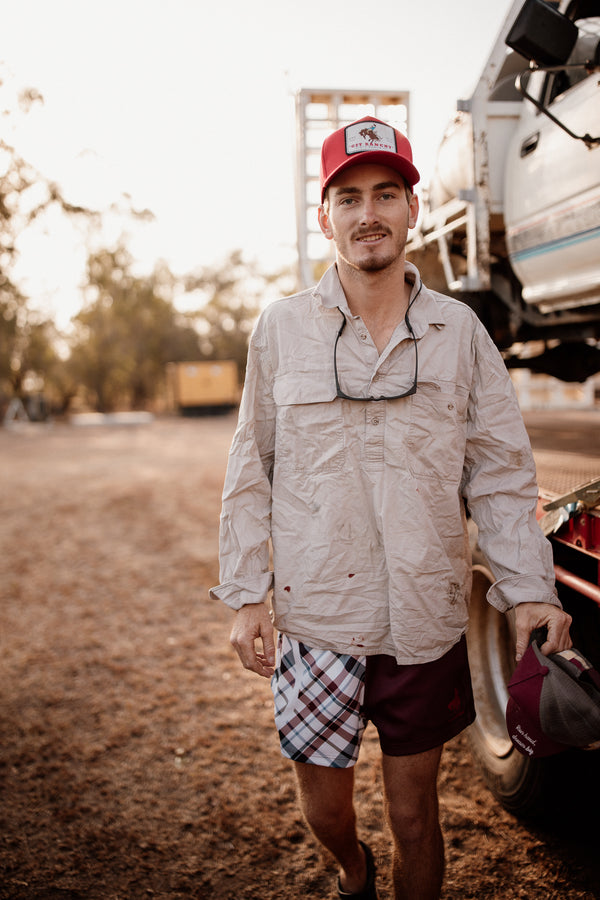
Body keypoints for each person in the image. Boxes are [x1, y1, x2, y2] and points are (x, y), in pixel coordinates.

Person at [209, 115, 572, 900]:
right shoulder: (279, 330)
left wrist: (530, 590)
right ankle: (352, 870)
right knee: (329, 812)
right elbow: (251, 466)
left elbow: (501, 474)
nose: (366, 213)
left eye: (385, 194)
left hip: (424, 619)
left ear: (412, 209)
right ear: (324, 216)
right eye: (348, 197)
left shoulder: (459, 332)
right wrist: (245, 596)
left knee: (416, 817)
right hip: (317, 622)